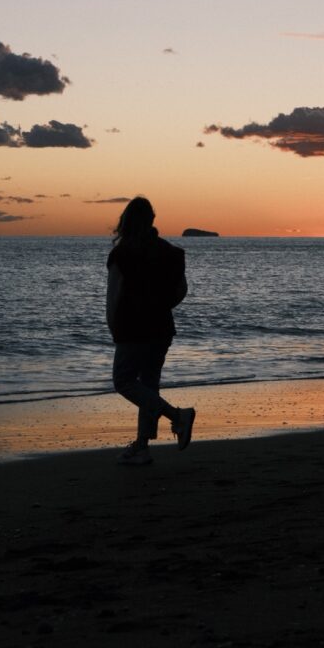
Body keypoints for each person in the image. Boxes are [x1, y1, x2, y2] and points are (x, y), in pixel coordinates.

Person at [106, 196, 195, 466]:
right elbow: (181, 291)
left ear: (125, 221)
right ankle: (142, 447)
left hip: (132, 328)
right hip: (161, 328)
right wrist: (161, 306)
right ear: (152, 220)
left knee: (123, 382)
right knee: (148, 385)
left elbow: (114, 295)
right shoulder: (169, 252)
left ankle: (177, 416)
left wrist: (113, 326)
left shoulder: (121, 254)